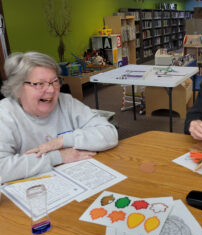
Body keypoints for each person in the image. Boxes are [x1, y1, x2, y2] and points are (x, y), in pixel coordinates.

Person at [0, 52, 118, 183]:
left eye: (54, 81)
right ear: (18, 87)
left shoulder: (65, 102)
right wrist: (57, 156)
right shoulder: (5, 114)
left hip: (75, 181)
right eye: (40, 84)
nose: (51, 90)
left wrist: (61, 141)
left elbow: (109, 133)